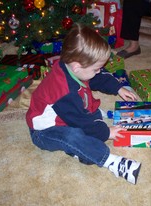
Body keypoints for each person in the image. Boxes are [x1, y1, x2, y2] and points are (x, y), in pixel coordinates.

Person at [26, 23, 141, 185]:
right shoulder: (65, 92)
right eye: (96, 68)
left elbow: (98, 78)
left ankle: (86, 138)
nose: (99, 71)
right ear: (77, 67)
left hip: (67, 112)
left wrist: (118, 88)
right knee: (75, 136)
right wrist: (106, 132)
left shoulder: (73, 67)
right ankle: (111, 161)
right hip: (44, 132)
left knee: (86, 108)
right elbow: (82, 123)